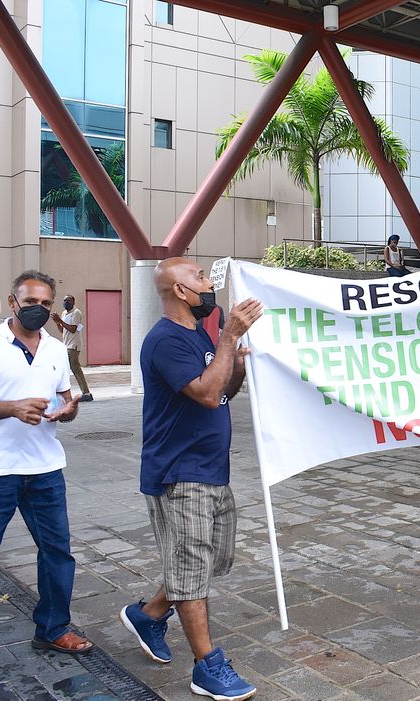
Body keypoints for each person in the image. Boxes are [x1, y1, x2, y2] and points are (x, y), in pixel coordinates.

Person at [120, 258, 261, 701]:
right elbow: (202, 394)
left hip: (212, 468)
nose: (207, 283)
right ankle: (206, 666)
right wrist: (230, 336)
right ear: (180, 291)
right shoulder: (164, 340)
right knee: (191, 567)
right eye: (199, 277)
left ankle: (150, 613)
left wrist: (234, 360)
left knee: (213, 559)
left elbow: (221, 392)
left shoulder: (199, 334)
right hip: (180, 473)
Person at [0, 270, 90, 654]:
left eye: (45, 304)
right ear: (12, 303)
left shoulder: (56, 349)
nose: (38, 310)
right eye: (30, 302)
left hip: (45, 467)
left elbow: (64, 401)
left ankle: (53, 626)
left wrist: (67, 410)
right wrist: (12, 408)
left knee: (57, 550)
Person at [51, 295, 93, 402]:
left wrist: (60, 320)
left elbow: (73, 329)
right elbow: (63, 330)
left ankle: (86, 393)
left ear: (73, 301)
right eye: (64, 300)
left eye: (67, 300)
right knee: (73, 368)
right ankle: (85, 392)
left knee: (72, 368)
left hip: (73, 345)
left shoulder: (76, 313)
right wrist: (57, 323)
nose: (65, 302)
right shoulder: (64, 313)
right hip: (66, 344)